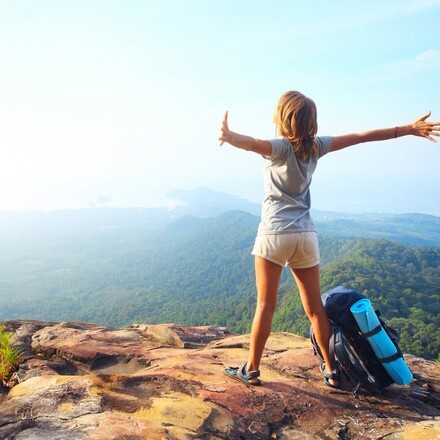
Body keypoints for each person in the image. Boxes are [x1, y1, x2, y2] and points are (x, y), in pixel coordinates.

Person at [218, 90, 439, 388]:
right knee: (314, 310)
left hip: (274, 233)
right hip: (306, 236)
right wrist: (408, 129)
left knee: (265, 306)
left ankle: (252, 369)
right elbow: (362, 136)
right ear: (312, 122)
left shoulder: (280, 147)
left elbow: (254, 144)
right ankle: (333, 371)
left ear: (283, 119)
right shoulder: (316, 147)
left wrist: (230, 137)